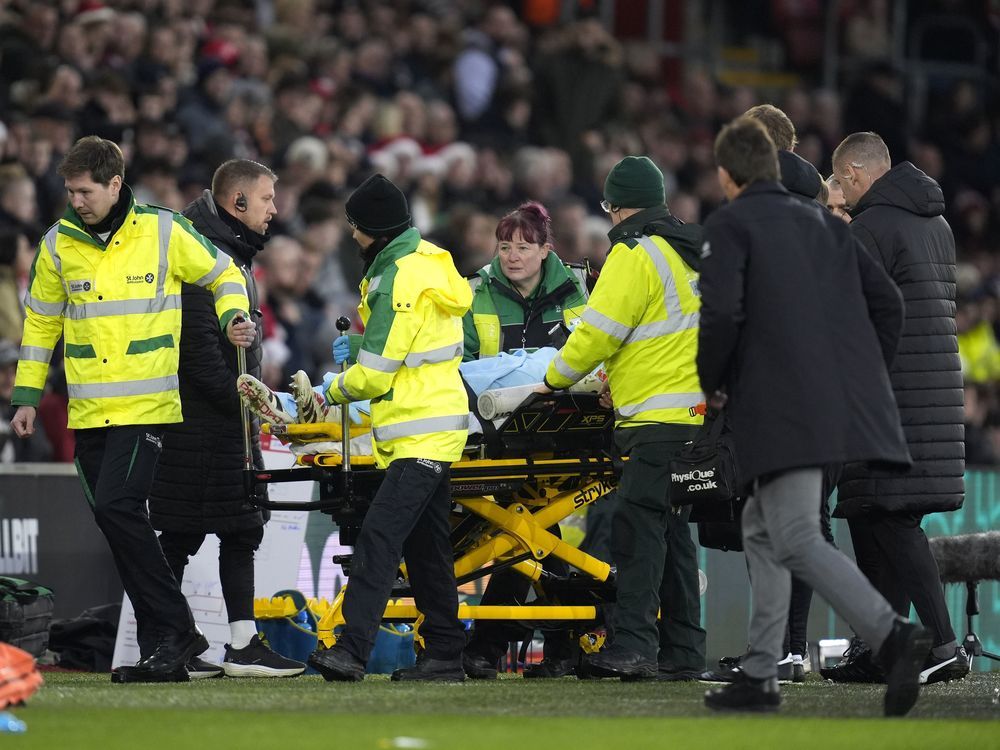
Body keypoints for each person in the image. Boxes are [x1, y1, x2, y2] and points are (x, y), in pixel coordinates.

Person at [698, 116, 930, 716]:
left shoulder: (731, 225)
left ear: (728, 174)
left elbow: (720, 317)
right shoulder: (824, 225)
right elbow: (888, 304)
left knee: (795, 533)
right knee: (759, 524)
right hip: (824, 407)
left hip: (775, 408)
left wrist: (713, 384)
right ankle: (761, 671)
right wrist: (862, 376)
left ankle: (891, 633)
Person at [10, 136, 254, 683]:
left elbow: (224, 273)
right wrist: (26, 396)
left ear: (115, 184)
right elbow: (41, 324)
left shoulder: (163, 231)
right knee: (116, 522)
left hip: (147, 407)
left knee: (120, 509)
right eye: (70, 191)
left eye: (85, 191)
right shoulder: (57, 244)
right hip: (89, 413)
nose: (77, 200)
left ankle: (173, 632)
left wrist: (232, 317)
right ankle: (170, 640)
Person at [536, 156, 707, 682]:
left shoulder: (633, 255)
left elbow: (597, 333)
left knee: (638, 535)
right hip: (695, 416)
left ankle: (633, 646)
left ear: (615, 207)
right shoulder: (690, 251)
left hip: (651, 419)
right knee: (674, 537)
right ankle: (681, 651)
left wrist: (555, 379)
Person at [307, 174, 471, 682]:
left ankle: (352, 650)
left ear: (373, 230)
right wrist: (360, 349)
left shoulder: (394, 276)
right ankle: (445, 651)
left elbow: (378, 373)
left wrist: (327, 392)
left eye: (355, 227)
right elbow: (408, 348)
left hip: (420, 432)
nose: (351, 236)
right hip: (433, 427)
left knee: (380, 537)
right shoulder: (424, 262)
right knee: (427, 549)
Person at [147, 159, 305, 679]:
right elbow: (196, 356)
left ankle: (230, 644)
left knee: (235, 530)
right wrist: (252, 402)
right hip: (201, 425)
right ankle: (175, 645)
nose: (274, 210)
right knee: (183, 537)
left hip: (223, 423)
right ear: (237, 204)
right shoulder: (202, 259)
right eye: (266, 200)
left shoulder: (227, 253)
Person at [827, 132, 970, 685]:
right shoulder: (937, 225)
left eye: (842, 180)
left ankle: (942, 643)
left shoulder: (870, 229)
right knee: (869, 513)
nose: (842, 190)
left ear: (857, 176)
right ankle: (883, 647)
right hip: (928, 391)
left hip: (889, 394)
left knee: (893, 513)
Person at [460, 201, 589, 680]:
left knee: (528, 530)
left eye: (522, 247)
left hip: (565, 431)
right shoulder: (477, 292)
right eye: (504, 246)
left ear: (545, 250)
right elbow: (469, 363)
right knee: (532, 530)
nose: (511, 256)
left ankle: (492, 647)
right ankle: (563, 642)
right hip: (501, 433)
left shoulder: (575, 288)